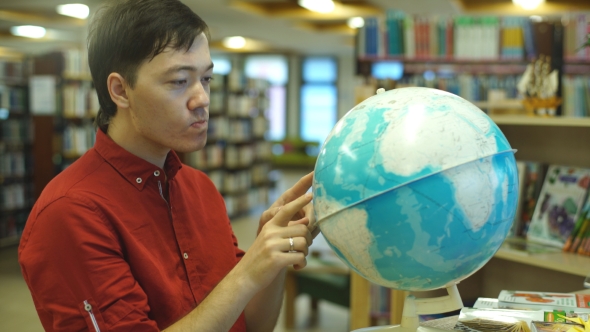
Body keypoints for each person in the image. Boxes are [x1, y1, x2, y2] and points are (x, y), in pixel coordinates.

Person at [18, 0, 317, 331]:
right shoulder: (71, 212)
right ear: (120, 90)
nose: (202, 99)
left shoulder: (200, 188)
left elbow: (252, 326)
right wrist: (247, 273)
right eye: (179, 81)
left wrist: (271, 257)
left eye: (206, 79)